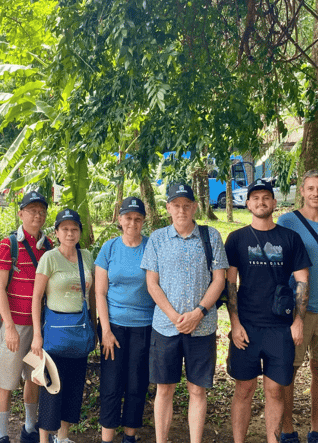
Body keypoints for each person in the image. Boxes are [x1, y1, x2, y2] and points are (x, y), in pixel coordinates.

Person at [224, 178, 311, 443]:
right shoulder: (236, 239)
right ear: (248, 203)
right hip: (247, 326)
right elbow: (230, 285)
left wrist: (298, 321)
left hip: (280, 327)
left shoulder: (290, 238)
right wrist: (234, 324)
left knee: (275, 390)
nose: (261, 202)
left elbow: (302, 282)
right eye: (255, 198)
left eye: (266, 198)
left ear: (274, 203)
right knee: (244, 389)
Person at [140, 183, 227, 443]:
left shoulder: (210, 236)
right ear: (168, 208)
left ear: (195, 207)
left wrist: (198, 313)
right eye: (176, 205)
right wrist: (174, 316)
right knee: (164, 389)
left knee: (197, 389)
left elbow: (219, 280)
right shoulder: (157, 238)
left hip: (202, 326)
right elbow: (152, 283)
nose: (181, 210)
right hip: (166, 327)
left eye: (186, 205)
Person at [276, 170, 318, 443]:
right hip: (296, 310)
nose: (316, 193)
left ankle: (316, 429)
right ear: (301, 191)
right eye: (311, 188)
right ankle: (287, 428)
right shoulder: (287, 221)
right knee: (288, 369)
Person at [31, 208, 96, 443]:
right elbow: (36, 298)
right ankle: (44, 438)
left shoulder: (86, 256)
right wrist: (37, 335)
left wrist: (95, 326)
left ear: (80, 232)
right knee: (51, 387)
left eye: (74, 229)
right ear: (57, 232)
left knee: (73, 387)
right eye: (65, 229)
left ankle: (63, 436)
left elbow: (92, 296)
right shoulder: (49, 258)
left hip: (79, 330)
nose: (70, 233)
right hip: (54, 333)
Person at [0, 191, 52, 443]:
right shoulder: (9, 245)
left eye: (41, 211)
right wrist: (9, 327)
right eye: (31, 211)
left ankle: (29, 429)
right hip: (15, 325)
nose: (36, 215)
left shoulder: (48, 246)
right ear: (20, 214)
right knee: (6, 382)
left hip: (40, 327)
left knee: (34, 378)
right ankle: (3, 435)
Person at [95, 197, 153, 443]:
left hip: (144, 325)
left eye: (137, 218)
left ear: (143, 221)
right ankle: (107, 437)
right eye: (128, 218)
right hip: (113, 326)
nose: (132, 223)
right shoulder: (109, 248)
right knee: (111, 383)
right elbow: (99, 292)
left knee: (136, 382)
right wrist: (105, 330)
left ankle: (130, 435)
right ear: (120, 220)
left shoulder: (151, 247)